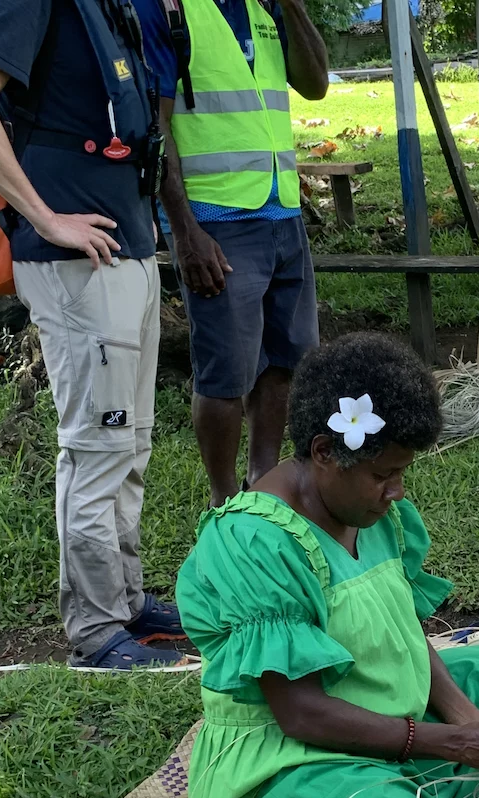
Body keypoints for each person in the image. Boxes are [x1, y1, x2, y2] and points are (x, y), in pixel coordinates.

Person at [127, 333, 479, 798]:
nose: (397, 491)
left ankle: (399, 787)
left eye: (402, 472)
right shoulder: (255, 542)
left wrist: (465, 719)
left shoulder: (368, 509)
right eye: (384, 474)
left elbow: (401, 627)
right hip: (291, 753)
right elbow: (301, 715)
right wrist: (453, 744)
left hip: (375, 707)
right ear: (325, 451)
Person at [0, 0, 185, 669]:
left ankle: (124, 601)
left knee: (131, 443)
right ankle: (96, 632)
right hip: (74, 262)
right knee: (97, 447)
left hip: (125, 248)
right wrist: (45, 217)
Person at [133, 0, 328, 508]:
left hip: (283, 211)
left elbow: (316, 84)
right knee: (225, 373)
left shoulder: (266, 8)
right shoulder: (172, 10)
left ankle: (261, 482)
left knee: (284, 358)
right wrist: (183, 230)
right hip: (215, 221)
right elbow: (157, 124)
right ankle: (223, 502)